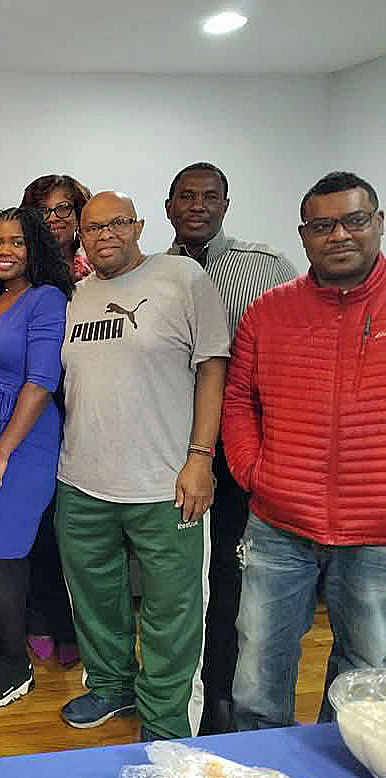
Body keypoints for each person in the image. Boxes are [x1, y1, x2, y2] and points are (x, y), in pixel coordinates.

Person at [56, 192, 230, 741]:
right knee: (94, 597)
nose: (105, 234)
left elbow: (213, 368)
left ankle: (166, 721)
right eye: (92, 226)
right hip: (82, 481)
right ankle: (110, 685)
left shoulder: (181, 278)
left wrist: (200, 458)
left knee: (172, 613)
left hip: (166, 483)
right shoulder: (78, 295)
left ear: (138, 226)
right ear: (80, 236)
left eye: (117, 223)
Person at [223, 171, 386, 730]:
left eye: (354, 220)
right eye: (323, 225)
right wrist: (253, 471)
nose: (339, 235)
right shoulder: (269, 312)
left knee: (367, 682)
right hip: (279, 524)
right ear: (304, 235)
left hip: (377, 532)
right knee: (256, 677)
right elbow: (239, 398)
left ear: (378, 225)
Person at [164, 161, 299, 734]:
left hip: (238, 448)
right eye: (186, 197)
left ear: (225, 203)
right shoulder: (151, 270)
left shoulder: (263, 267)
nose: (198, 205)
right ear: (169, 207)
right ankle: (176, 687)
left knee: (230, 575)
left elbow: (289, 354)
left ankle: (221, 690)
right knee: (176, 578)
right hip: (170, 445)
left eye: (209, 196)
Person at [0, 207, 73, 708]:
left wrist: (3, 453)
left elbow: (42, 381)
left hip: (21, 442)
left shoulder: (45, 299)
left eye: (17, 242)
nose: (5, 251)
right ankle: (8, 649)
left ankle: (18, 667)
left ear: (35, 250)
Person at [17, 173, 93, 668]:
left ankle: (78, 626)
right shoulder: (23, 273)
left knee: (83, 533)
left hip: (91, 410)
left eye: (65, 209)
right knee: (40, 523)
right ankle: (41, 617)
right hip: (38, 411)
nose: (56, 220)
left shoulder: (100, 273)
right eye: (44, 211)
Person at [21, 174, 93, 281]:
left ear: (79, 215)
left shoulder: (97, 264)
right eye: (43, 211)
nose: (53, 218)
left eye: (63, 208)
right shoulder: (21, 268)